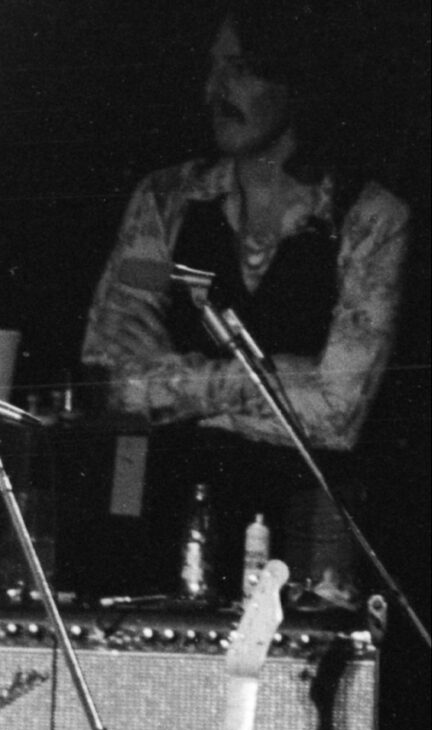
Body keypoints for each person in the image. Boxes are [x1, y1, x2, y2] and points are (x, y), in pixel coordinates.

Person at [80, 1, 411, 603]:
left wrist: (179, 380)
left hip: (307, 551)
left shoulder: (369, 218)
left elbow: (337, 414)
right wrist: (281, 378)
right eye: (213, 69)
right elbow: (119, 381)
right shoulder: (167, 199)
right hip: (167, 527)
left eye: (240, 69)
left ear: (297, 81)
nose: (215, 89)